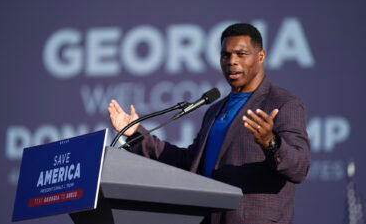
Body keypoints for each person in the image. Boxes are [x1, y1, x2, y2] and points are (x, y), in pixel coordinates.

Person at [108, 23, 310, 224]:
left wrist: (271, 142)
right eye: (226, 55)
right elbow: (188, 162)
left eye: (241, 54)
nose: (232, 61)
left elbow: (299, 167)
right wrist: (134, 132)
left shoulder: (283, 103)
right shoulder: (215, 109)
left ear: (260, 56)